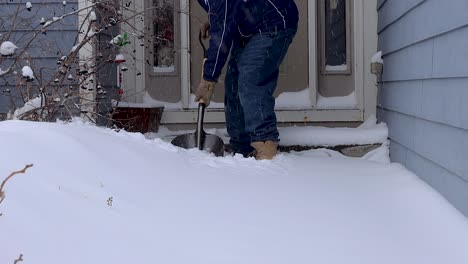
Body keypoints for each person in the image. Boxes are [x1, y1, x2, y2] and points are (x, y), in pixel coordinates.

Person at [195, 0, 298, 160]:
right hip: (249, 27)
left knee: (250, 79)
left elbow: (222, 32)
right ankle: (241, 150)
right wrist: (215, 19)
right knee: (233, 85)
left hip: (273, 22)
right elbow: (228, 9)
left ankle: (265, 147)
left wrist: (208, 79)